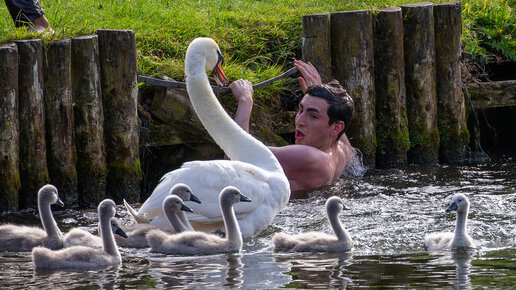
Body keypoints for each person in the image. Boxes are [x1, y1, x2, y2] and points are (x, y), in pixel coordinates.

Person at [229, 59, 356, 192]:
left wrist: (245, 101)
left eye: (313, 116)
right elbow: (350, 149)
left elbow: (236, 158)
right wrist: (319, 92)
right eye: (301, 110)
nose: (299, 121)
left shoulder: (310, 157)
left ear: (336, 128)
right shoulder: (341, 152)